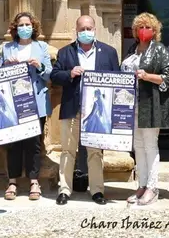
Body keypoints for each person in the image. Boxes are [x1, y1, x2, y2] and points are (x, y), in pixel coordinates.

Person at [50, 14, 120, 205]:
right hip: (73, 108)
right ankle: (64, 190)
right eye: (82, 29)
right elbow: (54, 76)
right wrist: (69, 74)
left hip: (97, 112)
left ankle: (97, 190)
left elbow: (118, 80)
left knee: (95, 152)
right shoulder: (65, 52)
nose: (86, 32)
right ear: (76, 31)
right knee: (67, 151)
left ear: (95, 30)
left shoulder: (109, 52)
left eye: (89, 28)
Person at [121, 12, 169, 207]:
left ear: (155, 31)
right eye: (140, 27)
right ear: (135, 31)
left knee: (151, 145)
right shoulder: (131, 49)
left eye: (148, 27)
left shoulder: (159, 50)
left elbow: (168, 76)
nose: (144, 31)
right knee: (138, 146)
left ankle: (153, 187)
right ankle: (141, 185)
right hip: (132, 105)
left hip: (150, 104)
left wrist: (147, 76)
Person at [0, 11, 52, 201]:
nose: (24, 28)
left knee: (34, 144)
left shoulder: (41, 47)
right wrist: (5, 65)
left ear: (33, 27)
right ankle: (12, 181)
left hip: (35, 101)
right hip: (13, 103)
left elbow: (49, 74)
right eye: (20, 25)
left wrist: (40, 66)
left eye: (27, 25)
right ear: (15, 28)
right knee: (13, 143)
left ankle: (33, 181)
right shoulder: (7, 48)